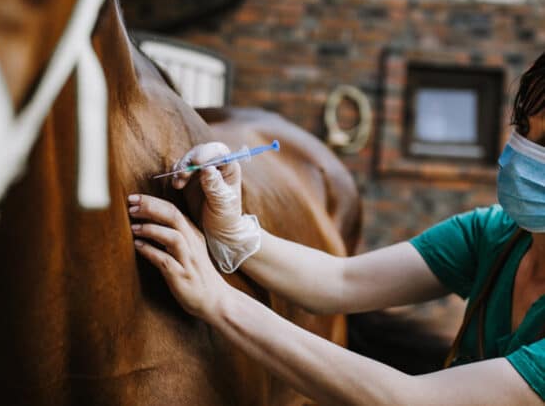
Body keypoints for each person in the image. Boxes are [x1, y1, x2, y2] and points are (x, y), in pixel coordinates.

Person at [126, 53, 545, 405]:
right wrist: (235, 231)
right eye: (524, 130)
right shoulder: (497, 235)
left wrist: (218, 301)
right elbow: (342, 281)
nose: (522, 151)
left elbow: (411, 399)